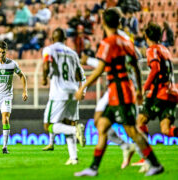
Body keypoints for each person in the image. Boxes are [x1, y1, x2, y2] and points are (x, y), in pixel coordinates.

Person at [74, 8, 163, 176]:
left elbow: (100, 69)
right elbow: (136, 66)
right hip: (120, 91)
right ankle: (94, 168)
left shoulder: (108, 43)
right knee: (101, 124)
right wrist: (138, 89)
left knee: (132, 131)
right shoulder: (126, 41)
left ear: (104, 22)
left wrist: (82, 87)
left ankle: (155, 164)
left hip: (121, 92)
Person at [133, 23, 178, 166]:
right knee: (166, 130)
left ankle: (146, 158)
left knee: (140, 121)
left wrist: (144, 88)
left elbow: (155, 68)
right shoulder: (165, 49)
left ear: (146, 36)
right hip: (172, 93)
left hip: (159, 93)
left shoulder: (151, 49)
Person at [41, 28, 86, 165]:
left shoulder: (49, 49)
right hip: (73, 91)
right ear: (65, 39)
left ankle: (75, 129)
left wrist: (44, 79)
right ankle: (73, 158)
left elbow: (45, 65)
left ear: (52, 39)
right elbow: (79, 74)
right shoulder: (73, 53)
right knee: (66, 122)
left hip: (59, 92)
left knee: (48, 125)